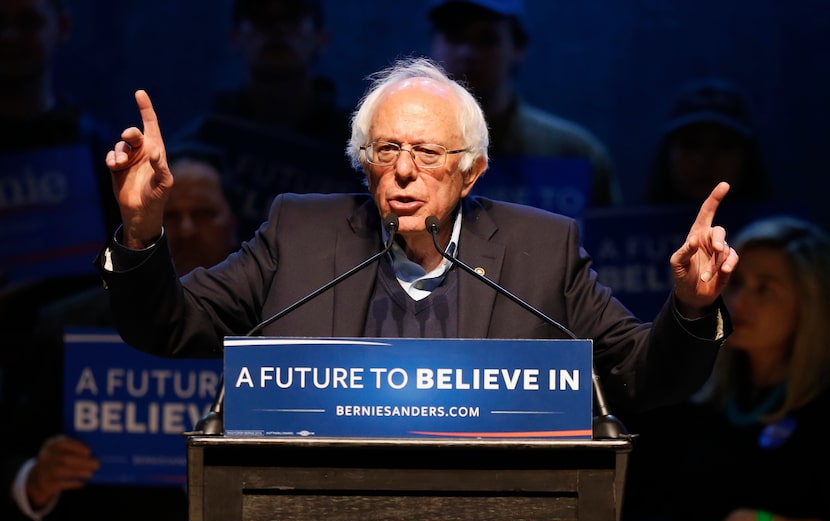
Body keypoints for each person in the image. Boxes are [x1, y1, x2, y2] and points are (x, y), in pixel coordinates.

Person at [96, 56, 735, 437]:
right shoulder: (299, 234)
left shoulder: (541, 249)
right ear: (364, 163)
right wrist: (141, 232)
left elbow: (640, 377)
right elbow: (168, 327)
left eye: (428, 152)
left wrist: (693, 309)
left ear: (472, 171)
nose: (404, 171)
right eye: (386, 150)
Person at [0, 143, 238, 521]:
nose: (185, 229)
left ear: (235, 222)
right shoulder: (68, 326)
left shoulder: (271, 326)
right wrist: (35, 477)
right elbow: (9, 449)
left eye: (203, 214)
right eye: (169, 214)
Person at [615, 216, 830, 521]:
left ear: (811, 304)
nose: (740, 301)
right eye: (738, 284)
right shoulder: (695, 403)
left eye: (765, 289)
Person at [0, 0, 120, 418]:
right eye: (0, 23)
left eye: (28, 23)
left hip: (69, 374)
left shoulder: (98, 149)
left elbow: (120, 271)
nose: (10, 37)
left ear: (62, 27)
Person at [173, 0, 364, 238]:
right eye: (259, 19)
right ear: (234, 37)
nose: (277, 29)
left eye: (292, 18)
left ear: (321, 37)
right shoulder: (206, 138)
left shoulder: (357, 144)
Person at [427, 0, 621, 215]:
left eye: (487, 39)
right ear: (434, 44)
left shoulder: (575, 153)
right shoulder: (408, 150)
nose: (467, 52)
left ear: (518, 47)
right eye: (454, 37)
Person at [643, 78, 773, 205]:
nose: (705, 159)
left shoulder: (782, 225)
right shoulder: (637, 226)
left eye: (724, 145)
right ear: (668, 154)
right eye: (690, 144)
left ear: (747, 155)